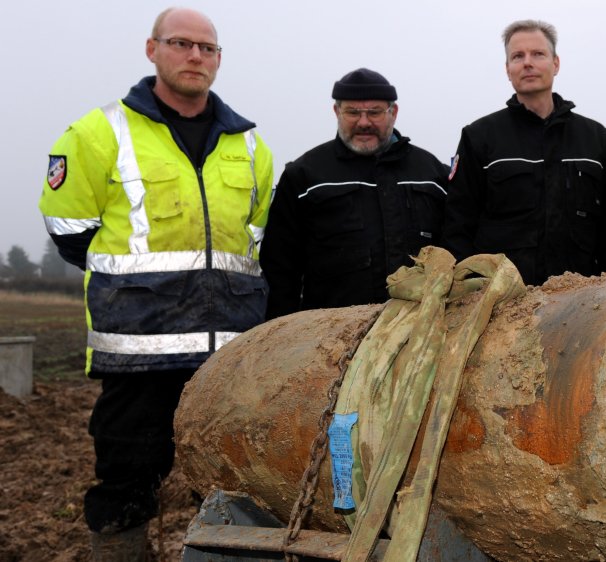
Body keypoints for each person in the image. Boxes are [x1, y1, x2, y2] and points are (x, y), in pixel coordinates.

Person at [38, 8, 273, 559]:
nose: (195, 57)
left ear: (218, 60)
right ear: (152, 50)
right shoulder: (97, 133)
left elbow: (255, 237)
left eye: (207, 49)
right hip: (138, 352)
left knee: (230, 481)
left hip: (228, 356)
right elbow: (70, 231)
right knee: (125, 478)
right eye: (181, 44)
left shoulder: (251, 146)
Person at [442, 20, 606, 286]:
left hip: (582, 304)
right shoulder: (479, 137)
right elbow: (457, 225)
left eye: (538, 54)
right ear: (507, 69)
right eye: (518, 56)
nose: (527, 63)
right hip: (503, 303)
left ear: (556, 63)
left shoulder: (597, 139)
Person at [261, 68, 449, 318]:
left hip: (417, 330)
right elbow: (280, 270)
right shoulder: (305, 177)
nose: (363, 122)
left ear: (393, 113)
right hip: (328, 338)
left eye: (374, 112)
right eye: (352, 112)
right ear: (337, 112)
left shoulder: (432, 174)